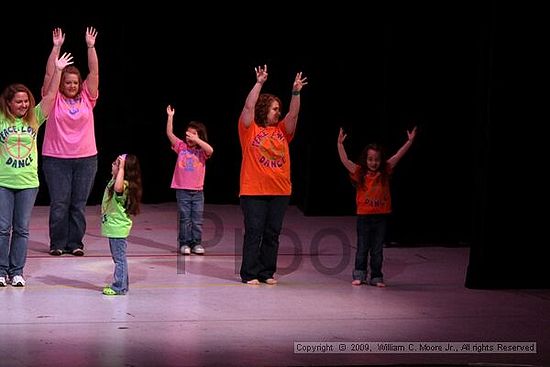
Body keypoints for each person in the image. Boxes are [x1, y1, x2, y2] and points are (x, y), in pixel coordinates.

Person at [0, 53, 73, 287]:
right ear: (9, 103)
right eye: (18, 101)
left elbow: (51, 96)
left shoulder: (34, 118)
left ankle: (17, 271)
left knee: (21, 229)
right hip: (3, 181)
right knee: (3, 228)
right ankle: (1, 271)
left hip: (28, 183)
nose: (23, 105)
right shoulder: (1, 120)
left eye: (26, 101)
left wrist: (58, 70)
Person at [238, 65, 307, 285]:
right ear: (264, 109)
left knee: (272, 233)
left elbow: (294, 114)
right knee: (254, 232)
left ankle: (267, 272)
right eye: (275, 109)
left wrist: (295, 92)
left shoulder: (282, 132)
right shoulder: (249, 130)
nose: (279, 112)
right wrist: (259, 83)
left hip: (280, 191)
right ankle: (249, 273)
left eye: (279, 109)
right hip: (253, 191)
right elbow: (248, 107)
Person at [41, 27, 99, 256]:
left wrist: (91, 47)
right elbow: (48, 77)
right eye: (68, 82)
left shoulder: (87, 96)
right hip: (56, 159)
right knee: (59, 204)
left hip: (86, 159)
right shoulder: (53, 99)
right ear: (62, 84)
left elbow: (93, 73)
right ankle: (57, 243)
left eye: (75, 82)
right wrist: (56, 49)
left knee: (78, 204)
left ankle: (75, 243)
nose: (72, 86)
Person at [337, 126, 417, 287]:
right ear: (365, 159)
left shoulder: (385, 171)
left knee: (377, 249)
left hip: (381, 217)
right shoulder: (360, 172)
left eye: (376, 160)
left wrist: (409, 141)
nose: (373, 163)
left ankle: (376, 276)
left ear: (381, 160)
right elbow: (346, 161)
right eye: (370, 159)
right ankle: (359, 274)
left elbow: (397, 156)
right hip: (364, 217)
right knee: (362, 247)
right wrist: (340, 144)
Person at [165, 105, 214, 255]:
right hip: (182, 190)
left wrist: (197, 140)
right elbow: (169, 133)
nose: (189, 137)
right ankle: (184, 243)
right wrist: (170, 116)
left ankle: (196, 243)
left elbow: (210, 150)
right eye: (188, 134)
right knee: (185, 219)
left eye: (193, 134)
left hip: (198, 191)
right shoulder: (181, 147)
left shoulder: (202, 152)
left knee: (197, 219)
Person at [101, 154, 142, 296]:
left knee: (119, 259)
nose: (112, 165)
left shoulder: (124, 185)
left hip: (118, 228)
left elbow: (118, 188)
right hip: (113, 227)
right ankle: (123, 285)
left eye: (116, 164)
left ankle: (119, 287)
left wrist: (122, 167)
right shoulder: (115, 181)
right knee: (118, 258)